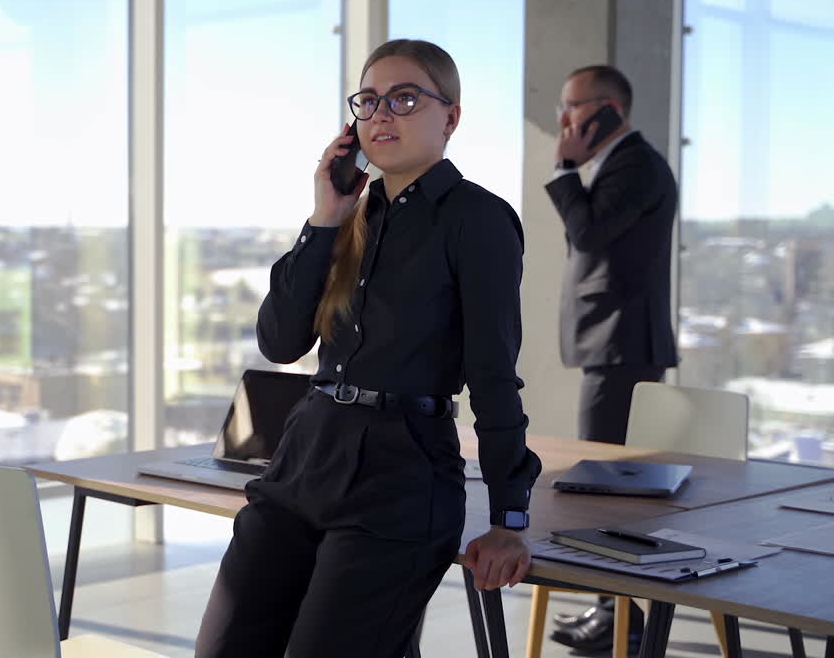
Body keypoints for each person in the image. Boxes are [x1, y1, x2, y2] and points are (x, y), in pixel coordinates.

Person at [194, 39, 542, 658]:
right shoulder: (350, 217)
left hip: (400, 480)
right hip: (303, 461)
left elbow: (494, 375)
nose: (382, 114)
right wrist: (324, 218)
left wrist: (508, 519)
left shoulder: (478, 219)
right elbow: (280, 341)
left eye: (405, 98)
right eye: (369, 100)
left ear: (451, 117)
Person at [544, 65, 679, 653]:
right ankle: (616, 611)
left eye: (572, 107)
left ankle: (619, 614)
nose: (564, 120)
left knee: (608, 485)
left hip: (624, 342)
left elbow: (590, 236)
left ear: (610, 110)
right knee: (606, 482)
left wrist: (564, 170)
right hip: (614, 342)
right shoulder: (622, 163)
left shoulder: (636, 164)